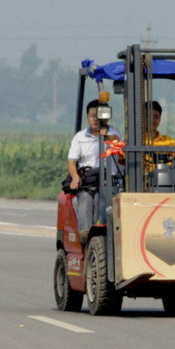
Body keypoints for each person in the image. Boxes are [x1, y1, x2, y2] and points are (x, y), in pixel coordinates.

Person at [67, 99, 121, 243]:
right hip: (87, 181)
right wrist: (75, 177)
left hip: (108, 181)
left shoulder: (113, 133)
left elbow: (117, 141)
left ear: (106, 117)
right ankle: (85, 233)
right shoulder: (80, 137)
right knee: (84, 198)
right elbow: (71, 161)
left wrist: (105, 136)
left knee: (100, 199)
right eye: (92, 115)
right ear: (87, 116)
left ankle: (100, 232)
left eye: (99, 116)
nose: (95, 119)